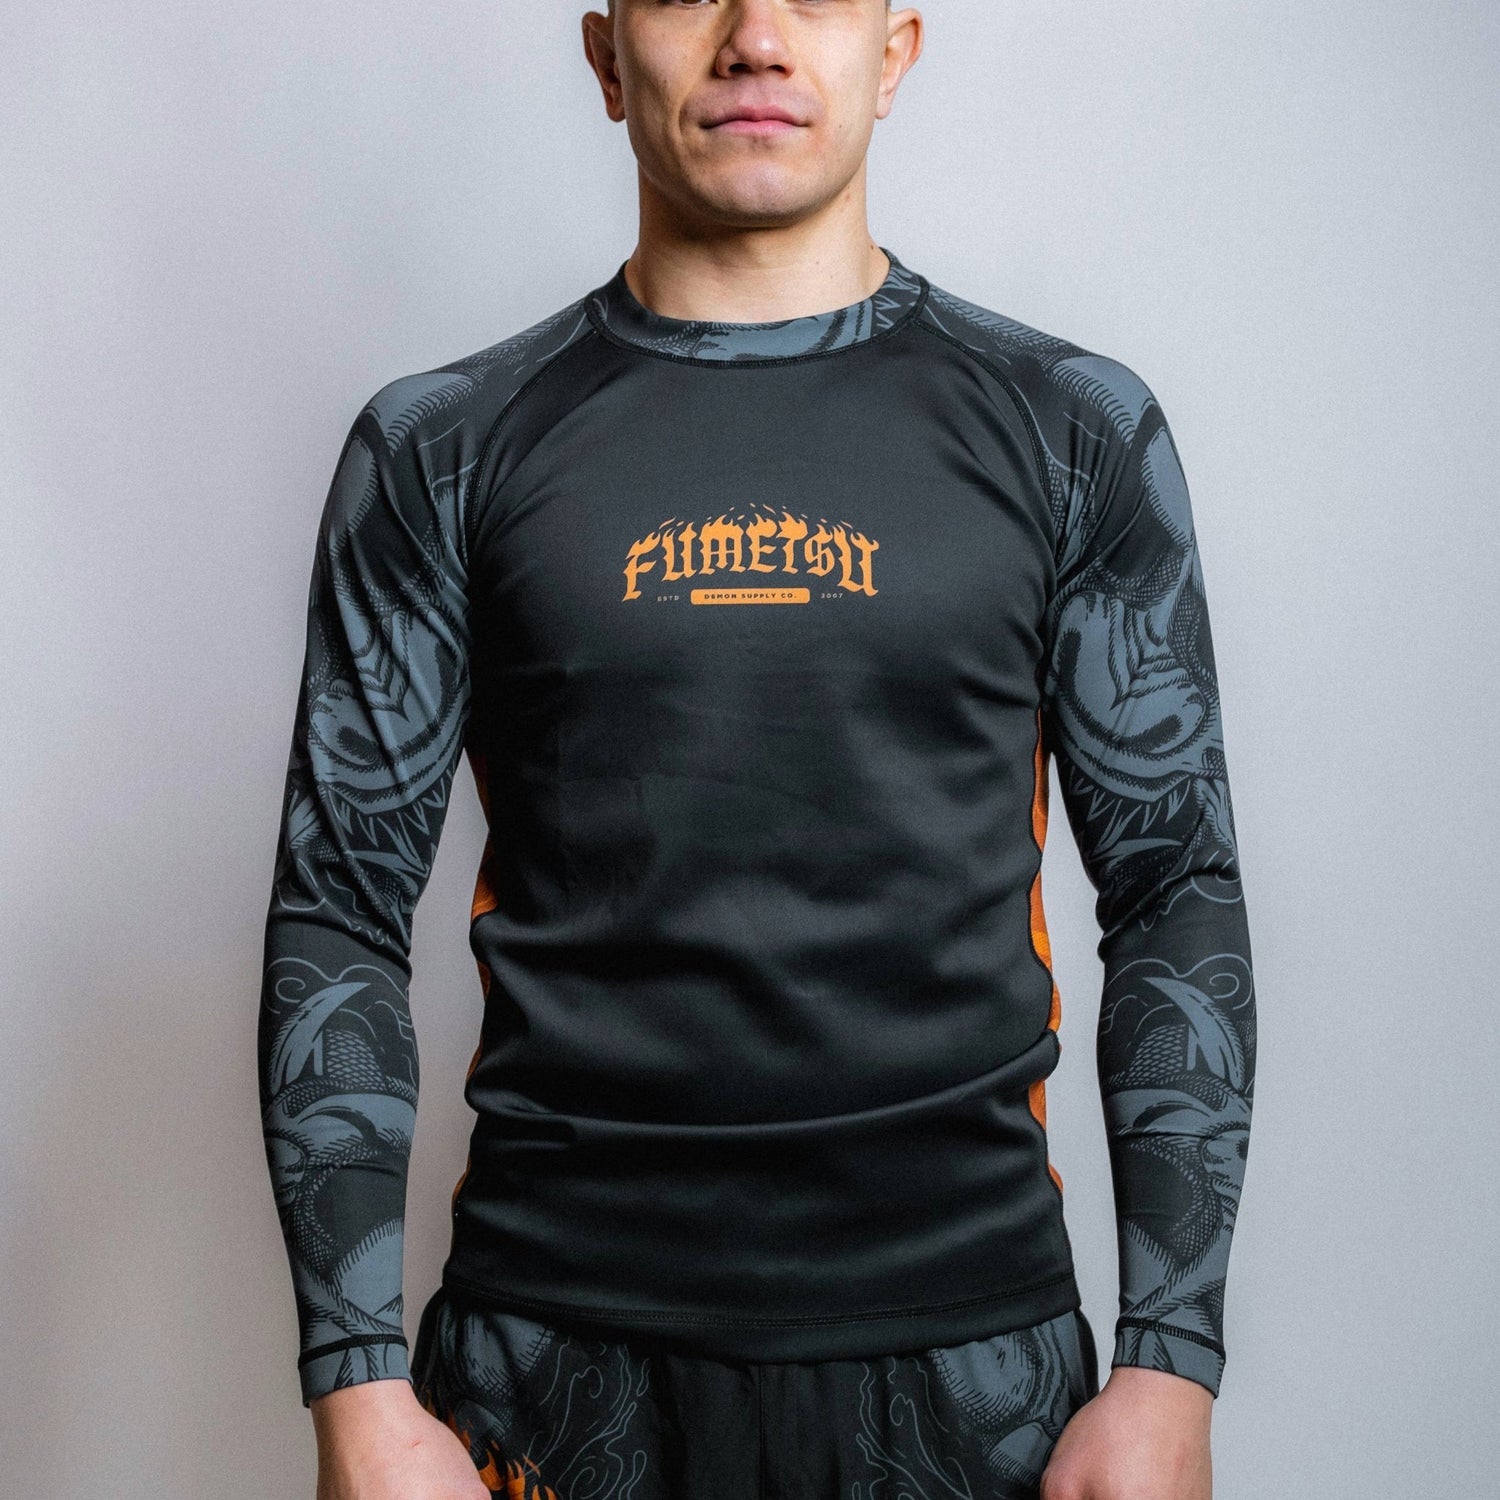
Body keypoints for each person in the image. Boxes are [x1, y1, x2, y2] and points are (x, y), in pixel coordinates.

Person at [256, 3, 1256, 1497]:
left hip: (973, 1370)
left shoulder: (1075, 433)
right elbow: (339, 907)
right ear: (607, 57)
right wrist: (357, 1388)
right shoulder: (441, 449)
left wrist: (1170, 1367)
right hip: (551, 1365)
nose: (756, 38)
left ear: (895, 53)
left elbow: (1176, 888)